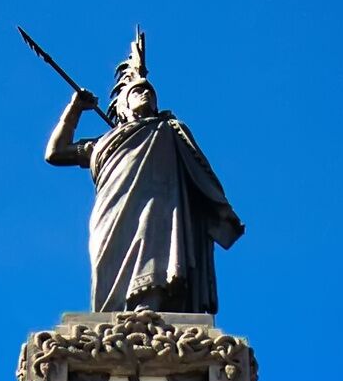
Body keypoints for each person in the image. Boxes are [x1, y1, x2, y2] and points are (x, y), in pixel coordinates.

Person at [43, 31, 242, 313]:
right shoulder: (102, 142)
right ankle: (114, 319)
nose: (146, 92)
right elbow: (56, 152)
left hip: (159, 203)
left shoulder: (168, 130)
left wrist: (219, 208)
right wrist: (74, 109)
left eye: (150, 91)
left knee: (156, 247)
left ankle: (149, 311)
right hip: (111, 209)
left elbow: (199, 168)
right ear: (122, 106)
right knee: (108, 262)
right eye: (138, 91)